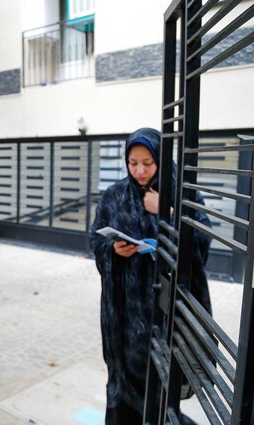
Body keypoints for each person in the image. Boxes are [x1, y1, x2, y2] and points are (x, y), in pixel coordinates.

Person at [89, 127, 212, 424]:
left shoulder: (182, 194)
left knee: (160, 377)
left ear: (161, 159)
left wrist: (167, 212)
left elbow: (203, 241)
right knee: (123, 378)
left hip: (163, 309)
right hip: (124, 310)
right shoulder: (114, 195)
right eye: (133, 163)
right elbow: (95, 239)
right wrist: (113, 250)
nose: (140, 171)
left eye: (148, 163)